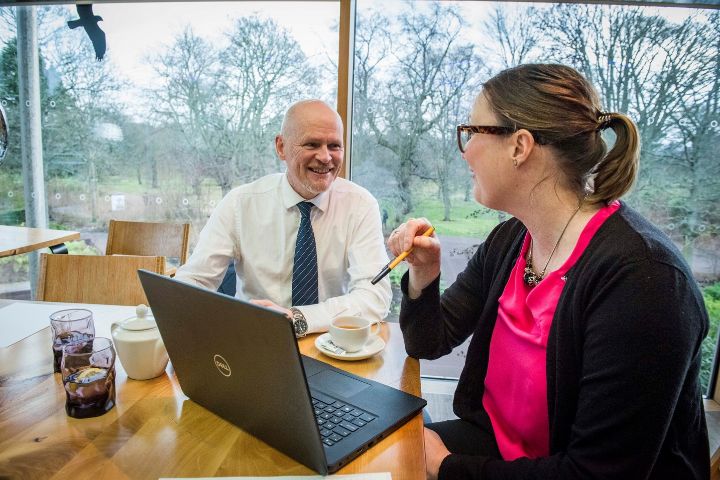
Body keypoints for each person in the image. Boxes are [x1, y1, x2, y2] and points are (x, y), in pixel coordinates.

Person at [388, 64, 709, 479]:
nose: (464, 151)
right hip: (500, 450)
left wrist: (446, 468)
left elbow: (595, 474)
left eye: (471, 132)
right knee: (382, 450)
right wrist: (424, 274)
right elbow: (426, 341)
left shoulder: (645, 282)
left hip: (568, 469)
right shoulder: (511, 240)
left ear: (520, 146)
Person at [175, 99, 392, 336]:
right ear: (281, 147)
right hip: (256, 339)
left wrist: (298, 319)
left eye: (334, 146)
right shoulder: (240, 203)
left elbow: (375, 296)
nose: (325, 157)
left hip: (333, 344)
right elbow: (193, 283)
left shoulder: (360, 205)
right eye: (312, 144)